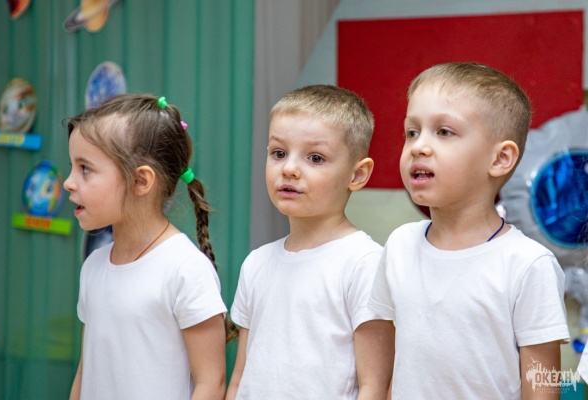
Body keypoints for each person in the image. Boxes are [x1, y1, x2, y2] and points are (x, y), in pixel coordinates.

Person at [368, 62, 570, 399]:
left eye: (444, 132)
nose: (418, 146)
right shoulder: (400, 245)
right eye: (412, 132)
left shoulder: (528, 264)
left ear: (500, 159)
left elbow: (544, 388)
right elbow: (389, 368)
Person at [226, 85, 393, 400]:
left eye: (315, 158)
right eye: (278, 153)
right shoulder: (256, 263)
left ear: (357, 175)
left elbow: (376, 386)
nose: (289, 168)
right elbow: (240, 379)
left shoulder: (365, 263)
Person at [65, 94, 228, 400]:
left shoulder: (185, 269)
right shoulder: (94, 265)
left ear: (141, 181)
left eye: (85, 168)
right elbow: (86, 372)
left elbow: (212, 384)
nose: (68, 182)